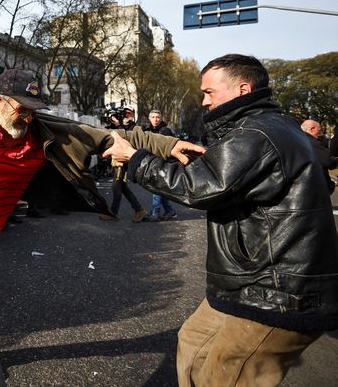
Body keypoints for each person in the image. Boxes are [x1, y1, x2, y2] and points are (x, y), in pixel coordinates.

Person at [0, 69, 204, 387]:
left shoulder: (41, 130)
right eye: (21, 109)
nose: (27, 118)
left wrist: (170, 144)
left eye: (33, 110)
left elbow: (110, 136)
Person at [106, 54, 338, 387]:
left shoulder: (256, 133)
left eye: (210, 93)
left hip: (275, 293)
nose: (203, 101)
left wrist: (135, 158)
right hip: (246, 283)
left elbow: (198, 188)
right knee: (192, 342)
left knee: (227, 375)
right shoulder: (276, 125)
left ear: (242, 89)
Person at [101, 106, 147, 223]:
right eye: (124, 113)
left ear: (133, 114)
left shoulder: (134, 127)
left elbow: (125, 139)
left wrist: (118, 125)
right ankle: (138, 210)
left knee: (116, 187)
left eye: (129, 113)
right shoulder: (119, 125)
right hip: (116, 161)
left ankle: (114, 213)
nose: (126, 115)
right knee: (123, 188)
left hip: (125, 162)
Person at [143, 109, 178, 221]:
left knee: (156, 187)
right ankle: (170, 211)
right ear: (149, 118)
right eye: (153, 117)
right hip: (152, 162)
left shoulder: (165, 130)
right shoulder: (147, 131)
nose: (155, 119)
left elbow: (168, 149)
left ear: (161, 118)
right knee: (158, 188)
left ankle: (155, 212)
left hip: (164, 163)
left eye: (157, 117)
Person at [301, 119, 336, 194]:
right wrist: (335, 160)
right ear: (312, 129)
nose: (320, 134)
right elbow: (327, 161)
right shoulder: (310, 141)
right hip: (315, 186)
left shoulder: (298, 139)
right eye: (319, 131)